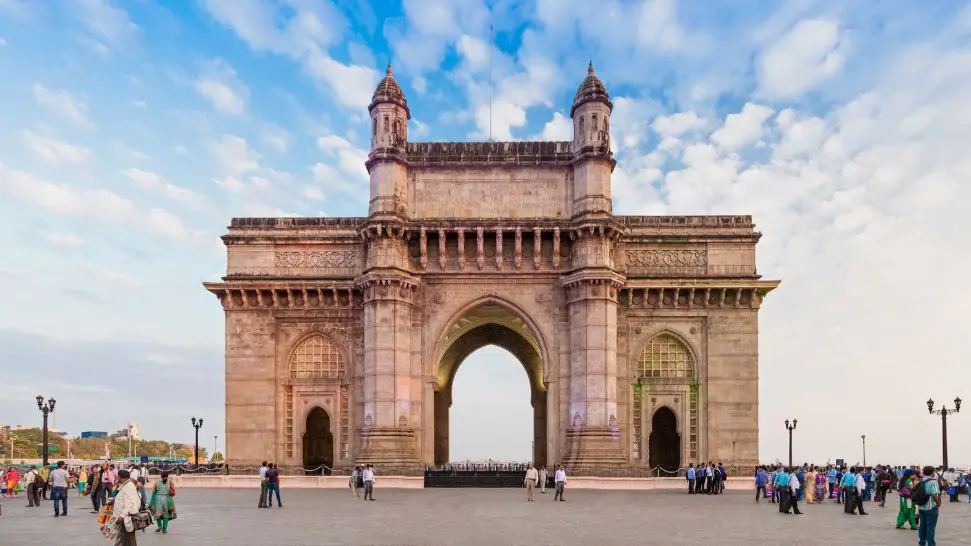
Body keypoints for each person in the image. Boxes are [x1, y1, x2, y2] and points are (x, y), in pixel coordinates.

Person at [110, 469, 140, 546]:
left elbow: (129, 503)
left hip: (126, 517)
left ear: (120, 477)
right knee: (124, 539)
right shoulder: (127, 485)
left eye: (118, 477)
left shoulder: (129, 486)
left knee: (126, 540)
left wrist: (122, 516)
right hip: (124, 517)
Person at [917, 465, 942, 546]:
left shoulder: (921, 480)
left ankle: (922, 543)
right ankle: (931, 544)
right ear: (932, 472)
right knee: (930, 527)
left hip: (921, 506)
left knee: (922, 526)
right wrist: (939, 504)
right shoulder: (933, 481)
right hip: (931, 507)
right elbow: (934, 495)